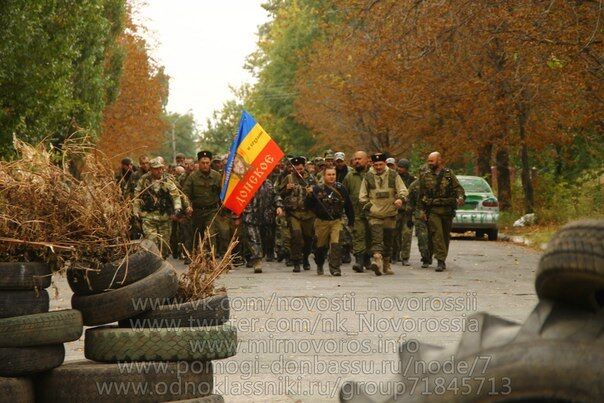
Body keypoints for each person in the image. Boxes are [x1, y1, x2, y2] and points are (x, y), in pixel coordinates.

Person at [359, 153, 408, 276]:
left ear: (385, 163)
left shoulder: (393, 175)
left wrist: (400, 199)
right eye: (376, 165)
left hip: (390, 214)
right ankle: (377, 259)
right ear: (372, 164)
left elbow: (403, 189)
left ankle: (386, 263)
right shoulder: (368, 176)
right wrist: (369, 207)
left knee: (388, 240)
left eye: (380, 164)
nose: (378, 167)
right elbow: (362, 196)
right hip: (375, 214)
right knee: (377, 239)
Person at [418, 152, 465, 272]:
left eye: (432, 161)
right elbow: (422, 194)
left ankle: (442, 258)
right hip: (433, 209)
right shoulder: (426, 176)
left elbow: (458, 188)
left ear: (439, 161)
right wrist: (422, 210)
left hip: (447, 209)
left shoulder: (449, 175)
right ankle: (440, 260)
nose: (429, 163)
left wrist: (460, 198)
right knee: (437, 234)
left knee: (444, 235)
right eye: (428, 161)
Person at [305, 167, 354, 276]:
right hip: (322, 222)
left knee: (336, 244)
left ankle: (335, 268)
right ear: (324, 176)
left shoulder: (341, 188)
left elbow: (348, 206)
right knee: (320, 247)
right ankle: (320, 263)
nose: (331, 177)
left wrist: (351, 221)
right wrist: (309, 195)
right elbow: (308, 206)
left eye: (333, 174)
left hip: (336, 221)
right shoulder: (317, 189)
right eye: (329, 174)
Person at [132, 157, 182, 257]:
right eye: (156, 169)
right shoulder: (144, 180)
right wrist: (135, 211)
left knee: (164, 246)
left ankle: (162, 262)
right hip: (149, 217)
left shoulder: (167, 180)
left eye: (161, 168)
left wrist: (177, 208)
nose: (159, 171)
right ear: (151, 169)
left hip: (164, 217)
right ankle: (154, 264)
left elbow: (175, 196)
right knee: (152, 244)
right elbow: (137, 196)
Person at [278, 156, 317, 273]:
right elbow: (279, 193)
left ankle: (305, 258)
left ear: (304, 167)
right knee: (296, 235)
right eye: (296, 168)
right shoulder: (288, 178)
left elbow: (319, 195)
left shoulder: (310, 179)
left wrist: (312, 192)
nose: (298, 171)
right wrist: (286, 189)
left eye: (300, 168)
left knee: (308, 238)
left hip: (308, 214)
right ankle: (296, 261)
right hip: (294, 213)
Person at [183, 151, 222, 251]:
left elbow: (222, 192)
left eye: (207, 163)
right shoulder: (192, 177)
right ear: (198, 163)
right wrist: (188, 206)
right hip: (197, 211)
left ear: (210, 163)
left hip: (212, 211)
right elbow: (185, 194)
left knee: (210, 235)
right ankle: (198, 257)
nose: (205, 165)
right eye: (202, 163)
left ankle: (210, 257)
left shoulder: (217, 176)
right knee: (197, 236)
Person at [242, 179, 284, 273]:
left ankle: (261, 255)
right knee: (254, 238)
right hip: (251, 216)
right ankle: (257, 261)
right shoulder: (246, 183)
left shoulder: (268, 183)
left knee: (266, 240)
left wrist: (279, 206)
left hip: (266, 217)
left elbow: (275, 196)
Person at [342, 151, 371, 273]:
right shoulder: (349, 176)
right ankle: (359, 261)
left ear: (366, 160)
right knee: (358, 236)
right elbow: (344, 194)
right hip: (356, 212)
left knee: (370, 236)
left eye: (360, 159)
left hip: (371, 212)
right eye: (355, 159)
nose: (357, 161)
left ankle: (367, 258)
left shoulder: (372, 174)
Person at [393, 158, 417, 265]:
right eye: (399, 166)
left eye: (402, 167)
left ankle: (405, 257)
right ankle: (394, 254)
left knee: (407, 234)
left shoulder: (413, 180)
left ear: (406, 169)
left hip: (408, 211)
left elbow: (416, 196)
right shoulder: (394, 178)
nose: (399, 169)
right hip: (396, 210)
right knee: (394, 233)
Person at [407, 179, 432, 267]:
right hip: (419, 214)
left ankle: (436, 257)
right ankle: (425, 257)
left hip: (434, 213)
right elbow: (410, 202)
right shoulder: (414, 185)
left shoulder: (436, 182)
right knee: (422, 237)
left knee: (435, 237)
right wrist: (409, 217)